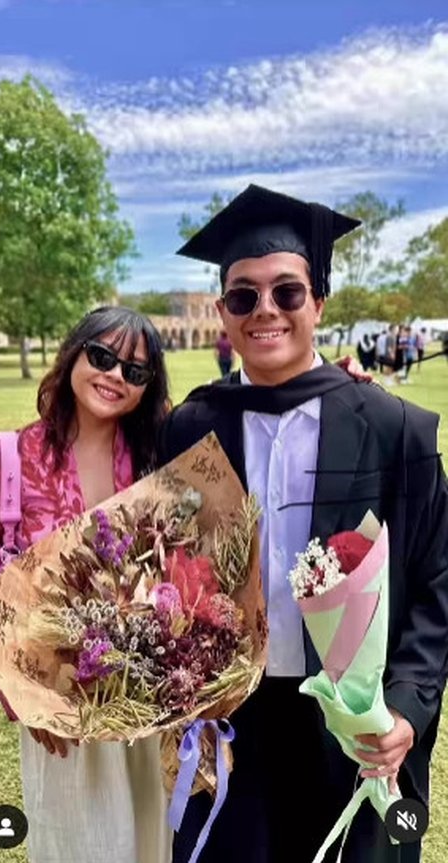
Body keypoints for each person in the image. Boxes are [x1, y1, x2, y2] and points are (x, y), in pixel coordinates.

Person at [158, 184, 448, 863]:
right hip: (231, 721)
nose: (265, 311)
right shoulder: (191, 426)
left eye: (287, 292)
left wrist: (404, 705)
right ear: (225, 312)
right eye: (242, 295)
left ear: (319, 301)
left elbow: (438, 580)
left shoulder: (392, 428)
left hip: (348, 723)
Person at [0, 306, 172, 863]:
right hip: (60, 712)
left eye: (134, 371)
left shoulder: (156, 458)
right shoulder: (10, 459)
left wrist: (334, 373)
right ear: (73, 354)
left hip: (149, 707)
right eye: (102, 356)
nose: (114, 376)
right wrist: (23, 695)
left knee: (154, 846)